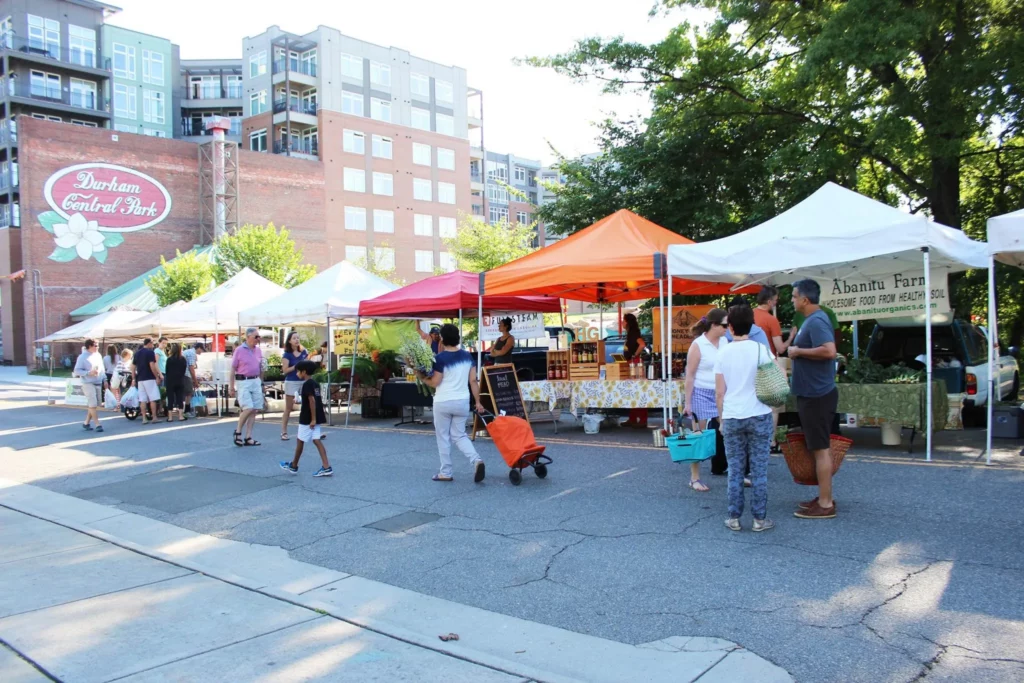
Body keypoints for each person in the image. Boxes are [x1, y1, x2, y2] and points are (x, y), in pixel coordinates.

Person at [715, 304, 775, 532]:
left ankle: (734, 517)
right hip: (759, 413)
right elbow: (775, 376)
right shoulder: (761, 350)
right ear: (752, 325)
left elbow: (719, 393)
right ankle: (760, 519)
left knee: (735, 469)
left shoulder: (723, 352)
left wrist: (721, 420)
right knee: (759, 470)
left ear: (730, 326)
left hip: (732, 415)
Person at [789, 279, 839, 519]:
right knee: (818, 448)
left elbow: (829, 351)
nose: (792, 300)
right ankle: (822, 496)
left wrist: (798, 351)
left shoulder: (817, 321)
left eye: (794, 296)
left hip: (817, 395)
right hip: (812, 393)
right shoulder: (813, 320)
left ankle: (826, 503)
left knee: (821, 449)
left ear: (805, 299)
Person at [415, 323, 486, 483]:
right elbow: (473, 381)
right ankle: (476, 460)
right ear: (457, 338)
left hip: (443, 401)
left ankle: (446, 472)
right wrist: (478, 402)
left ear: (442, 339)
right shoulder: (468, 357)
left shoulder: (439, 359)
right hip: (462, 401)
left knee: (443, 437)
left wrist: (421, 377)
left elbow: (435, 382)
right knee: (459, 435)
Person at [683, 309, 729, 492]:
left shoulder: (725, 341)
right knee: (698, 436)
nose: (727, 328)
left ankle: (736, 473)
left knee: (729, 432)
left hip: (721, 392)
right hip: (701, 392)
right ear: (714, 325)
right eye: (724, 325)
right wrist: (688, 403)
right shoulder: (698, 344)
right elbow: (690, 375)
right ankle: (694, 478)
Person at [279, 360, 333, 477]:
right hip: (316, 416)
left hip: (307, 418)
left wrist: (312, 419)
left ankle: (294, 465)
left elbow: (311, 401)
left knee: (300, 441)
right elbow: (312, 399)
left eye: (298, 371)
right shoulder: (314, 383)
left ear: (304, 372)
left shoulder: (306, 384)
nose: (297, 373)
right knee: (316, 440)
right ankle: (326, 466)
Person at [753, 287, 787, 453]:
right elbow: (780, 348)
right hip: (768, 364)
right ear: (769, 301)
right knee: (773, 405)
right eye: (775, 299)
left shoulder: (749, 315)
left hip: (749, 364)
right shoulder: (771, 320)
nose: (776, 302)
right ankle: (771, 441)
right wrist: (792, 338)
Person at [230, 327, 264, 446]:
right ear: (248, 337)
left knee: (254, 409)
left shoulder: (258, 351)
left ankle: (248, 436)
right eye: (256, 337)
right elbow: (233, 368)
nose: (258, 339)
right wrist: (231, 386)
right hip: (243, 380)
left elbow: (260, 367)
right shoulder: (239, 350)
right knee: (248, 407)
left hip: (255, 380)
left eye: (259, 336)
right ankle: (238, 431)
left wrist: (261, 381)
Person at [621, 313, 649, 429]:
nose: (622, 323)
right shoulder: (629, 334)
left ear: (627, 322)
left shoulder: (634, 333)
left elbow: (642, 344)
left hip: (635, 363)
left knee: (638, 390)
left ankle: (642, 419)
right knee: (632, 391)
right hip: (631, 362)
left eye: (623, 320)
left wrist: (634, 355)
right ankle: (633, 418)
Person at [280, 331, 308, 440]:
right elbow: (285, 370)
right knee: (289, 408)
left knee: (308, 405)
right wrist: (296, 366)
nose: (297, 340)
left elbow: (307, 364)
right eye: (294, 338)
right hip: (292, 381)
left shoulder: (304, 351)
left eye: (298, 338)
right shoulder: (287, 354)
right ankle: (283, 432)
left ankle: (311, 429)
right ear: (289, 341)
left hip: (304, 380)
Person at [74, 339, 106, 432]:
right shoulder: (82, 357)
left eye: (98, 345)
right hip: (87, 382)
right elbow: (77, 370)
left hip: (98, 381)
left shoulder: (98, 355)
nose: (97, 347)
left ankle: (86, 423)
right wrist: (88, 373)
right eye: (95, 345)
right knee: (92, 403)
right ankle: (97, 424)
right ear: (89, 346)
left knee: (96, 404)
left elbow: (102, 368)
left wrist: (105, 379)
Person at [132, 338, 162, 424]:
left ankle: (144, 418)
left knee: (142, 399)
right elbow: (152, 365)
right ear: (149, 343)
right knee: (153, 398)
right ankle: (154, 417)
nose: (153, 345)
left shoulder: (137, 353)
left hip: (140, 378)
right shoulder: (150, 352)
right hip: (149, 377)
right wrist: (156, 376)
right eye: (152, 343)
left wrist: (134, 378)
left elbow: (133, 367)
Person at [163, 343, 189, 422]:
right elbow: (184, 370)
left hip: (170, 381)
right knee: (180, 398)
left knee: (170, 398)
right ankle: (180, 416)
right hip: (180, 380)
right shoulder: (183, 359)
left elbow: (166, 370)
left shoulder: (169, 359)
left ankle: (170, 417)